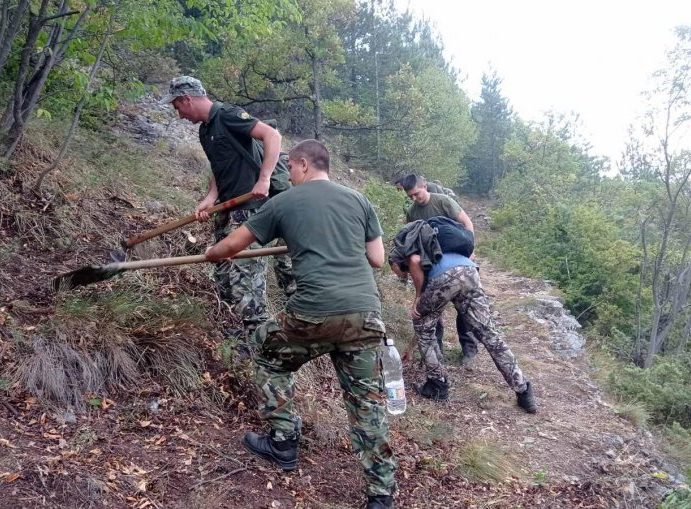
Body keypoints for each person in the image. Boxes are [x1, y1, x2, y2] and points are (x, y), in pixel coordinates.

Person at [204, 140, 397, 509]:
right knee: (366, 405)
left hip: (313, 314)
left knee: (267, 353)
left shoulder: (283, 203)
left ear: (304, 165)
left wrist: (210, 253)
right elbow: (376, 259)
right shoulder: (360, 201)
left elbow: (230, 247)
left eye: (290, 168)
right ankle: (381, 495)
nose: (288, 175)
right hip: (365, 314)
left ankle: (282, 442)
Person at [160, 76, 295, 341]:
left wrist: (264, 178)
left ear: (187, 98)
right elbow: (218, 167)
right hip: (226, 208)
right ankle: (237, 330)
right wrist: (210, 198)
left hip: (251, 208)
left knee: (246, 272)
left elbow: (272, 135)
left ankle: (256, 339)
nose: (179, 114)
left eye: (178, 107)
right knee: (222, 270)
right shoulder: (204, 130)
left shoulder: (229, 115)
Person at [391, 227, 537, 413]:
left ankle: (438, 385)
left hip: (446, 276)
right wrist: (411, 348)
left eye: (395, 270)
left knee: (421, 324)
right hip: (469, 271)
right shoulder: (437, 250)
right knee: (488, 333)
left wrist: (418, 297)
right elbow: (434, 314)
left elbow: (414, 263)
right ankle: (523, 389)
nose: (398, 275)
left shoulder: (409, 256)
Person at [397, 174, 479, 365]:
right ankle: (437, 350)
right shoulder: (412, 212)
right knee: (433, 307)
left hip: (458, 256)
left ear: (424, 186)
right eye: (411, 197)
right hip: (431, 263)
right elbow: (411, 237)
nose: (415, 199)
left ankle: (469, 350)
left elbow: (467, 224)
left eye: (417, 194)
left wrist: (470, 250)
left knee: (464, 306)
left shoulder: (443, 201)